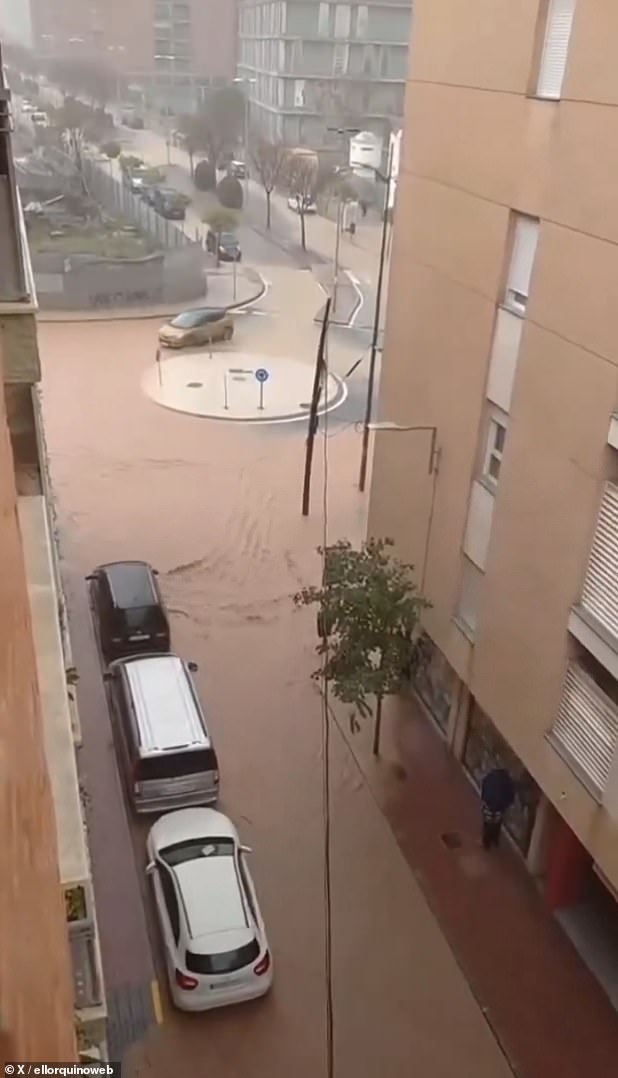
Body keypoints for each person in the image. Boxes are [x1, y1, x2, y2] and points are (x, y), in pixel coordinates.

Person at [480, 767, 515, 849]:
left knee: (487, 823)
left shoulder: (491, 777)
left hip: (489, 804)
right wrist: (506, 805)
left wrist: (484, 798)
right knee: (496, 824)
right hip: (499, 807)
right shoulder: (507, 781)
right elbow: (511, 794)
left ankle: (486, 842)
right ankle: (494, 839)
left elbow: (484, 785)